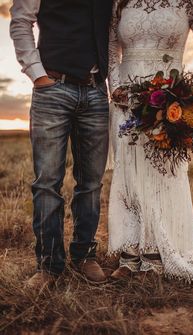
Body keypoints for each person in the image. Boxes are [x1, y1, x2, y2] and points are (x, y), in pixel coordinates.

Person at [108, 0, 193, 283]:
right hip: (126, 99)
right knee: (130, 174)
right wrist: (116, 87)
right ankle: (130, 252)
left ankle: (156, 253)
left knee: (165, 172)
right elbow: (111, 48)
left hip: (171, 97)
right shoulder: (120, 1)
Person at [10, 0, 113, 288]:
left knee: (91, 183)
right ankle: (48, 266)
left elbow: (114, 33)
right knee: (47, 183)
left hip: (95, 93)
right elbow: (21, 20)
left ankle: (84, 256)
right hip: (53, 89)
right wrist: (37, 74)